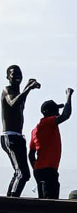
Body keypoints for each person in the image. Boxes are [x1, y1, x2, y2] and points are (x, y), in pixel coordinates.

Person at [2, 65, 40, 197]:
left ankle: (10, 199)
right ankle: (11, 202)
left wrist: (28, 88)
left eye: (19, 73)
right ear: (7, 77)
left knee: (24, 174)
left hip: (18, 137)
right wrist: (28, 88)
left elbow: (20, 100)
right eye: (13, 74)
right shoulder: (6, 90)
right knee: (21, 173)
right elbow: (13, 103)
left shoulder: (18, 94)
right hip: (9, 137)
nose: (16, 76)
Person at [28, 88, 73, 199]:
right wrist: (69, 95)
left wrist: (36, 169)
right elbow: (66, 115)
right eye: (56, 110)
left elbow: (31, 154)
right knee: (50, 203)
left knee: (44, 200)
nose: (58, 113)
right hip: (48, 170)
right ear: (48, 113)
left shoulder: (35, 130)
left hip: (41, 170)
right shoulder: (48, 123)